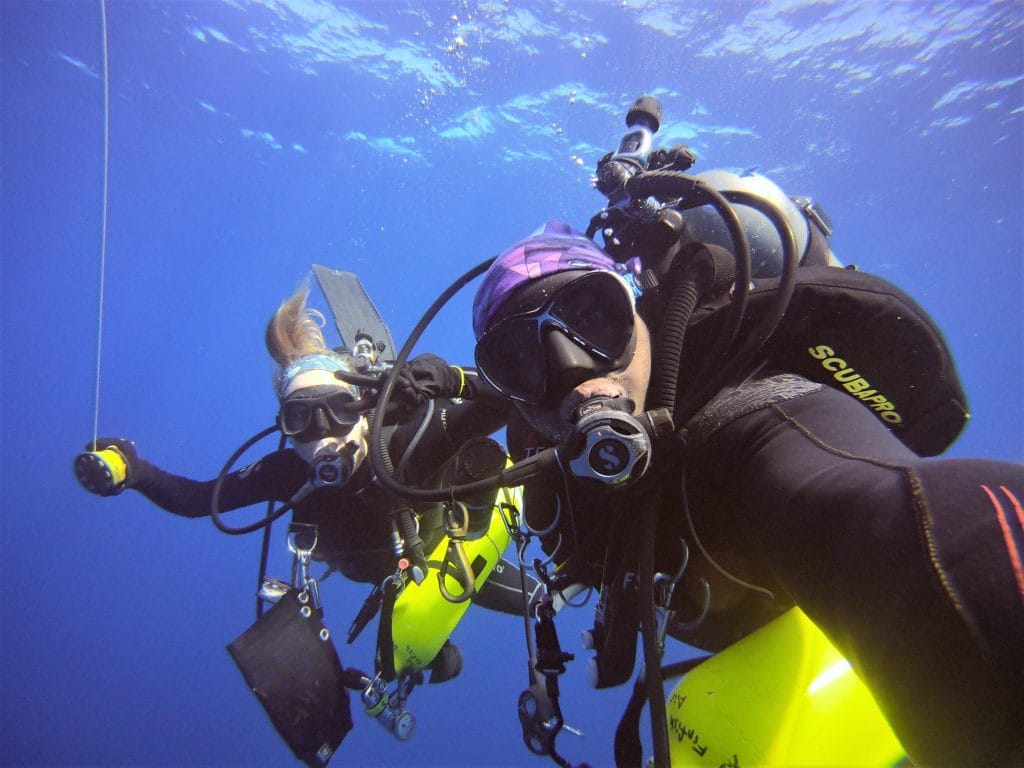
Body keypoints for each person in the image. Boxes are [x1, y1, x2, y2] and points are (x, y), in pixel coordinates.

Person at [466, 180, 1024, 766]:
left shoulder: (756, 420)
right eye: (523, 360)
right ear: (514, 396)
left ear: (637, 307)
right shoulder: (544, 457)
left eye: (594, 320)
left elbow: (899, 517)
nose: (574, 372)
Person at [77, 280, 516, 609]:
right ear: (284, 426)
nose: (324, 433)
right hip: (382, 577)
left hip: (444, 542)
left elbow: (514, 398)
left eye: (339, 409)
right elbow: (196, 500)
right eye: (300, 419)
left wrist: (453, 378)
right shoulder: (285, 474)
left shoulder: (415, 437)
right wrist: (134, 470)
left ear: (364, 408)